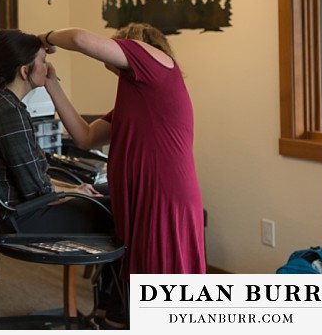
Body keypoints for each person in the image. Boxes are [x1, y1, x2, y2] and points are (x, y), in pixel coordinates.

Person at [0, 28, 125, 328]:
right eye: (42, 61)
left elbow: (31, 177)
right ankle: (113, 313)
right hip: (23, 219)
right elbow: (37, 188)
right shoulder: (11, 114)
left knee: (103, 198)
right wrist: (74, 192)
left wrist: (73, 188)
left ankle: (108, 309)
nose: (48, 68)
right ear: (25, 71)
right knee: (120, 212)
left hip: (8, 212)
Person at [37, 24, 206, 278]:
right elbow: (86, 137)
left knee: (159, 278)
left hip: (162, 195)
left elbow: (81, 39)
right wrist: (52, 85)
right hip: (139, 196)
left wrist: (44, 38)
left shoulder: (157, 63)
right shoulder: (141, 96)